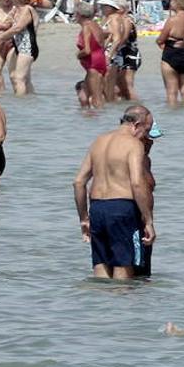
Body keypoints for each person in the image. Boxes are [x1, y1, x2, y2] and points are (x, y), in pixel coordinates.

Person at [73, 105, 156, 279]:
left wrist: (83, 219)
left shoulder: (99, 141)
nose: (146, 135)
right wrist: (148, 221)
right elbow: (137, 183)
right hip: (122, 209)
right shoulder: (133, 144)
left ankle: (102, 298)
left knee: (101, 266)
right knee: (123, 267)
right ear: (137, 125)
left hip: (97, 209)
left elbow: (78, 182)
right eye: (147, 130)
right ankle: (121, 298)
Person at [0, 0, 38, 95]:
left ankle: (22, 100)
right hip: (8, 45)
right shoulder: (10, 9)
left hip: (20, 46)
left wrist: (0, 36)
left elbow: (17, 28)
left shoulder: (25, 9)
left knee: (17, 77)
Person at [101, 0, 139, 102]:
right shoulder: (109, 18)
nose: (101, 8)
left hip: (127, 53)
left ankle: (134, 104)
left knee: (122, 85)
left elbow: (119, 39)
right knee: (114, 85)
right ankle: (117, 105)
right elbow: (111, 36)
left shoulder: (121, 20)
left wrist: (109, 55)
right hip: (117, 53)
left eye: (103, 6)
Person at [74, 1, 107, 108]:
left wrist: (78, 55)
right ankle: (87, 116)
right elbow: (108, 34)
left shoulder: (86, 27)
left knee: (96, 98)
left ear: (79, 14)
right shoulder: (95, 25)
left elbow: (87, 50)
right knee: (83, 97)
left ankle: (100, 117)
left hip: (93, 64)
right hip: (100, 59)